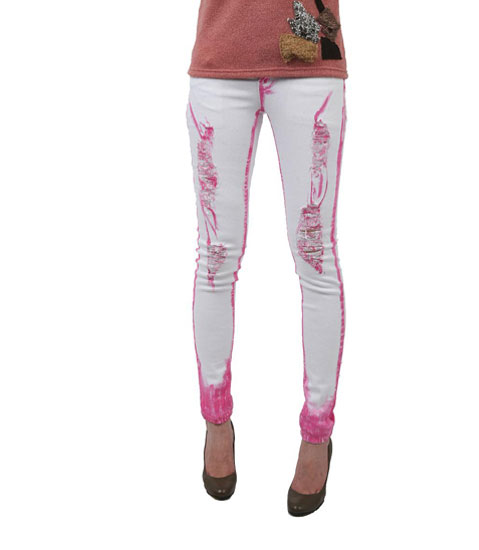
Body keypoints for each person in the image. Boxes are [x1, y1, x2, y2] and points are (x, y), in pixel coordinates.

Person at [186, 0, 348, 516]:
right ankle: (216, 417)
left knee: (315, 254)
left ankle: (318, 430)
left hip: (310, 56)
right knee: (216, 255)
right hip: (220, 57)